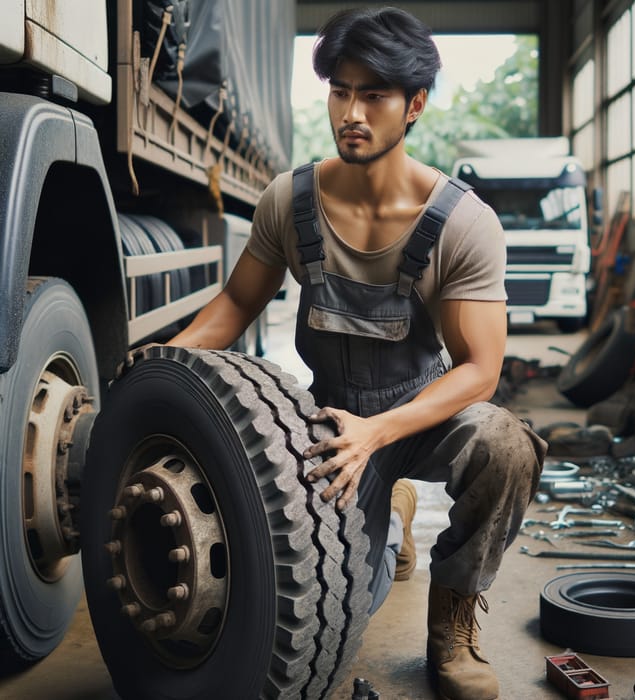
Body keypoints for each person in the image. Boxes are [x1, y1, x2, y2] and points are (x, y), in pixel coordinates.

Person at [167, 7, 547, 699]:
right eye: (341, 91)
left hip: (427, 415)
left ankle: (453, 618)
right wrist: (159, 364)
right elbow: (234, 306)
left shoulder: (463, 224)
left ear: (415, 106)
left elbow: (480, 370)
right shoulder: (292, 200)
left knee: (508, 445)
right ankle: (391, 513)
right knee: (342, 607)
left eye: (374, 95)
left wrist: (382, 433)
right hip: (333, 424)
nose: (353, 112)